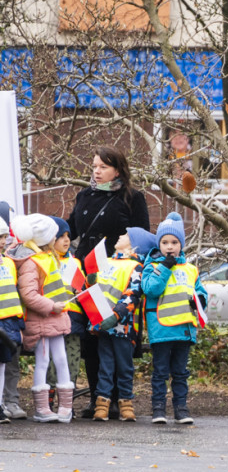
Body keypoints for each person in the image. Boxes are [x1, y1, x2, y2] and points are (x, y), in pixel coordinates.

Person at [67, 148, 150, 419]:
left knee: (117, 339)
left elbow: (140, 237)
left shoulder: (132, 198)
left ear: (118, 169)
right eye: (94, 166)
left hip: (118, 274)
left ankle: (118, 398)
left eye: (102, 166)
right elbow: (70, 230)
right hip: (88, 276)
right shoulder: (84, 195)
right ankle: (97, 398)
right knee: (93, 337)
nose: (96, 171)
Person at [141, 213, 208, 424]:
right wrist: (164, 267)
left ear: (181, 244)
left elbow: (201, 292)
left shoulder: (190, 269)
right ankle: (158, 409)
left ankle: (181, 409)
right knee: (160, 372)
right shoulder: (151, 267)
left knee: (180, 373)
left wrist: (199, 301)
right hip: (161, 330)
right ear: (158, 244)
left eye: (174, 242)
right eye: (165, 242)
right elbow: (151, 290)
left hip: (184, 330)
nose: (170, 247)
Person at [88, 226, 157, 422]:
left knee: (125, 366)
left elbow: (132, 295)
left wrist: (115, 316)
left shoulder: (136, 267)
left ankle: (126, 402)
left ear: (134, 245)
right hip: (103, 325)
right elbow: (98, 288)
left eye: (126, 235)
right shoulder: (107, 262)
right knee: (105, 365)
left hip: (123, 327)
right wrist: (90, 281)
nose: (120, 235)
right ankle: (102, 404)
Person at [10, 215, 73, 423]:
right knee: (43, 360)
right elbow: (28, 294)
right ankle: (42, 407)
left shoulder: (47, 258)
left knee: (61, 359)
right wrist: (51, 306)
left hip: (55, 317)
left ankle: (66, 406)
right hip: (43, 319)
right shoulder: (32, 262)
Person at [49, 218, 85, 406]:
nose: (66, 240)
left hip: (73, 320)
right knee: (50, 362)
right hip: (51, 318)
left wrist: (82, 291)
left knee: (71, 361)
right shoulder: (45, 261)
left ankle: (66, 403)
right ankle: (47, 400)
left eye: (68, 236)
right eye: (60, 236)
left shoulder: (75, 262)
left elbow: (81, 287)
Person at [0, 214, 25, 424]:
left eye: (3, 237)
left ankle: (7, 402)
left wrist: (20, 324)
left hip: (11, 321)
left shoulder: (8, 263)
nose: (2, 241)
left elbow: (14, 292)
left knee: (10, 363)